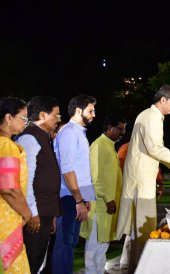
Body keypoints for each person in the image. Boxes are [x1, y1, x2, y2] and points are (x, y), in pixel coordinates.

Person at [116, 84, 170, 273]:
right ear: (163, 100)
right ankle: (140, 268)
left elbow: (153, 152)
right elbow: (156, 150)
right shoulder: (152, 117)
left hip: (140, 178)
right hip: (142, 180)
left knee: (139, 229)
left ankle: (135, 267)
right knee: (144, 227)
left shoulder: (148, 115)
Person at [16, 96, 62, 274]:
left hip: (44, 212)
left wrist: (50, 215)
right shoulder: (29, 138)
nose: (58, 120)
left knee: (39, 261)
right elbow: (26, 180)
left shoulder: (43, 137)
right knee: (30, 261)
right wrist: (33, 213)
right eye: (56, 115)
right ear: (43, 115)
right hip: (35, 214)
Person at [51, 94, 97, 274]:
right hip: (69, 197)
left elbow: (81, 170)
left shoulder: (78, 133)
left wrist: (84, 198)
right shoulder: (69, 132)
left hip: (77, 196)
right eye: (90, 110)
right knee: (64, 243)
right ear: (79, 110)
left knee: (70, 243)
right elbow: (67, 170)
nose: (94, 114)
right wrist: (78, 200)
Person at [80, 113, 125, 274]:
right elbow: (96, 176)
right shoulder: (99, 145)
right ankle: (91, 271)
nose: (122, 133)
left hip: (108, 204)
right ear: (110, 128)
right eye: (120, 129)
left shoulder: (109, 145)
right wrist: (107, 199)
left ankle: (98, 270)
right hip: (100, 204)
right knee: (94, 243)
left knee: (103, 242)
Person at [0, 97, 32, 273]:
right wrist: (26, 213)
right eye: (23, 118)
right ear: (8, 118)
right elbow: (9, 188)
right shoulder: (6, 145)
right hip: (6, 218)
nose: (26, 123)